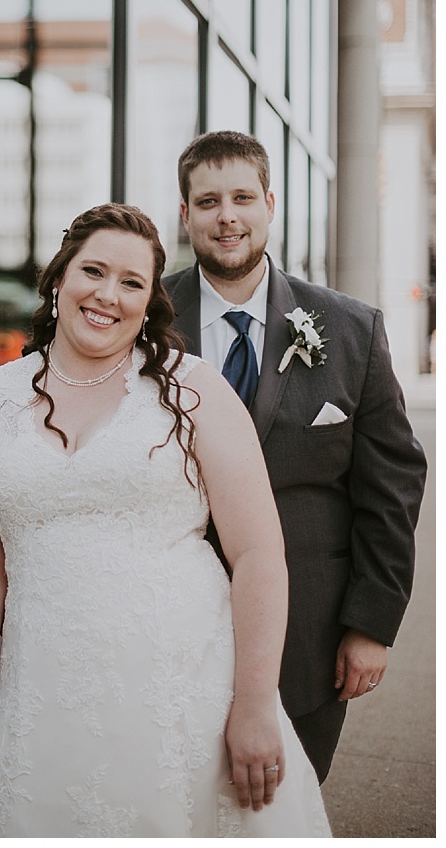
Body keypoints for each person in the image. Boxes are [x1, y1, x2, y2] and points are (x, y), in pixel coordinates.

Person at [0, 202, 329, 836]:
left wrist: (255, 704)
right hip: (44, 703)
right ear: (59, 276)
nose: (107, 295)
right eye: (93, 270)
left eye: (132, 283)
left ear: (149, 303)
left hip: (185, 696)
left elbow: (258, 554)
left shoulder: (192, 389)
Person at [164, 130, 427, 782]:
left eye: (242, 196)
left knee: (284, 814)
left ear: (270, 203)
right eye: (208, 200)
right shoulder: (143, 319)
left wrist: (372, 622)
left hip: (307, 636)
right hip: (164, 628)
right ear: (185, 213)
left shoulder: (349, 327)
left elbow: (390, 486)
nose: (227, 215)